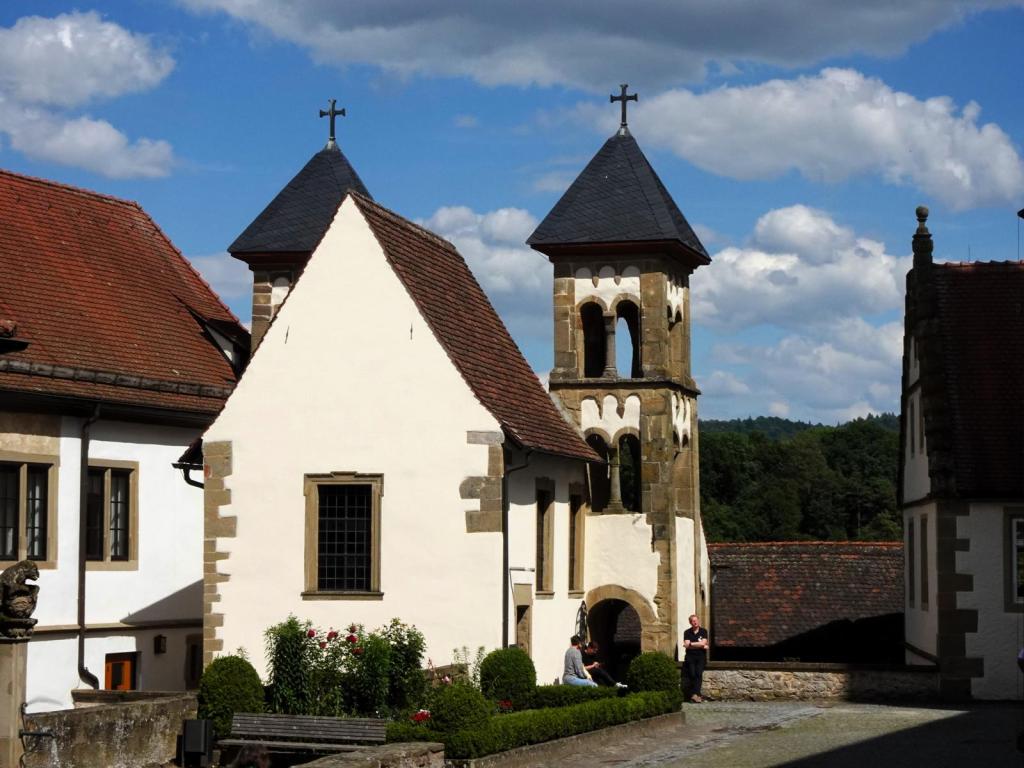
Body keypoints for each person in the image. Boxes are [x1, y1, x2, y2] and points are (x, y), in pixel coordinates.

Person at [682, 613, 709, 703]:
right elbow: (687, 645)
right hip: (690, 657)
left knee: (698, 674)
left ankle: (695, 695)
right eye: (693, 621)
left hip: (701, 657)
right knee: (692, 674)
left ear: (698, 621)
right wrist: (700, 645)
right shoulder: (687, 632)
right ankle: (696, 695)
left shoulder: (703, 631)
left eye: (696, 620)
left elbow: (703, 643)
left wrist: (691, 644)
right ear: (690, 623)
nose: (695, 622)